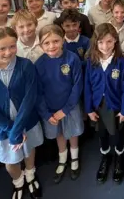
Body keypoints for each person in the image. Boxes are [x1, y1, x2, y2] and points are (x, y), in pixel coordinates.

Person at [0, 27, 44, 199]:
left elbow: (29, 100)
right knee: (10, 160)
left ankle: (30, 174)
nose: (8, 52)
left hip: (27, 122)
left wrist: (18, 128)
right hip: (2, 129)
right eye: (2, 48)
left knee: (29, 151)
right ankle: (18, 182)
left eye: (12, 46)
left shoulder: (26, 66)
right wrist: (12, 131)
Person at [84, 23, 124, 184]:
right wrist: (89, 108)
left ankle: (119, 155)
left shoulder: (121, 62)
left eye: (109, 42)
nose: (105, 46)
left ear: (115, 42)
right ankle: (106, 156)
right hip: (98, 107)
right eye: (101, 42)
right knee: (102, 133)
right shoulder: (91, 61)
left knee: (119, 133)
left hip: (117, 106)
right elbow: (87, 87)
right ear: (95, 43)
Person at [35, 25, 84, 182]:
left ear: (63, 40)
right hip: (50, 108)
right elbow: (38, 92)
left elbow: (77, 86)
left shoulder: (72, 58)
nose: (52, 46)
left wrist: (66, 109)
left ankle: (74, 157)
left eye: (55, 41)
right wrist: (46, 113)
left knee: (72, 132)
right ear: (40, 45)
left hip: (70, 106)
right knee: (59, 133)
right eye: (46, 43)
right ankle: (63, 158)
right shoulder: (39, 64)